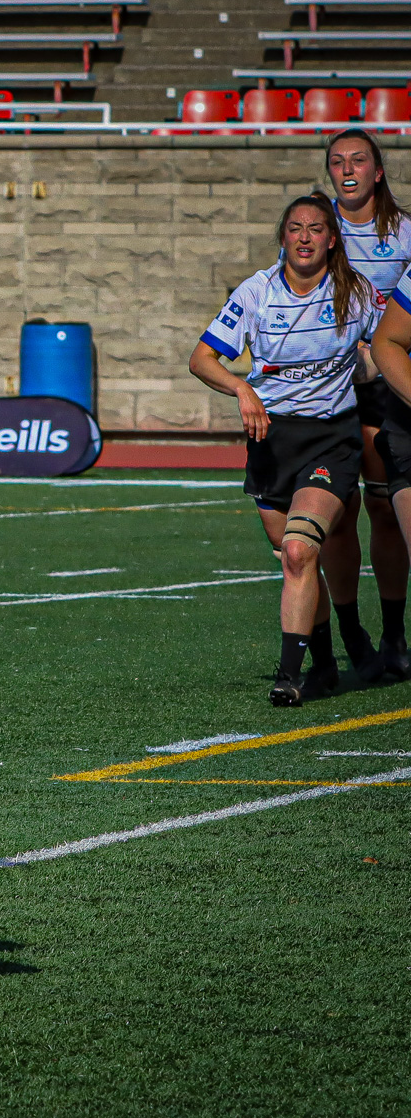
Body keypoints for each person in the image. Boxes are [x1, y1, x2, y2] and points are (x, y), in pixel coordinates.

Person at [190, 192, 380, 706]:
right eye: (295, 228)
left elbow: (384, 347)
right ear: (282, 237)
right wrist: (241, 388)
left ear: (332, 239)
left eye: (315, 229)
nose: (304, 237)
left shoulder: (356, 292)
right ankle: (326, 660)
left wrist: (377, 366)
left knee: (300, 549)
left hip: (331, 439)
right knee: (292, 558)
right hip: (272, 442)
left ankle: (291, 674)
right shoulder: (256, 292)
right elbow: (202, 358)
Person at [320, 129, 411, 679]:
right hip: (330, 386)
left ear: (378, 172)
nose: (348, 169)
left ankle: (396, 632)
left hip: (384, 384)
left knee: (383, 506)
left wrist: (382, 353)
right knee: (336, 512)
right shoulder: (317, 230)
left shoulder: (404, 232)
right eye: (337, 162)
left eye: (358, 160)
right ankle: (351, 629)